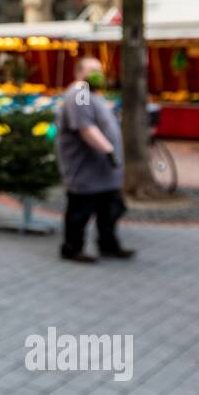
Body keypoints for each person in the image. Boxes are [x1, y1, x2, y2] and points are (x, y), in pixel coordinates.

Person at [55, 57, 134, 263]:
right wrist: (109, 151)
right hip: (86, 169)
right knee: (80, 211)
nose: (98, 74)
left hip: (103, 172)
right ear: (79, 72)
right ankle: (72, 248)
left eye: (100, 70)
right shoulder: (80, 92)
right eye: (93, 70)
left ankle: (108, 245)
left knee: (112, 208)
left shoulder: (93, 95)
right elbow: (85, 128)